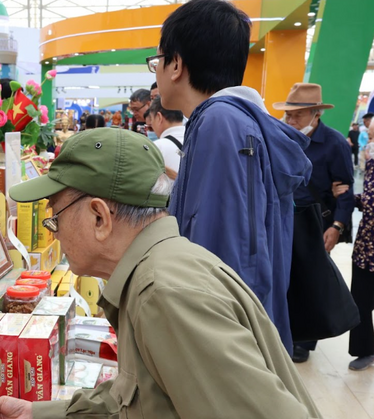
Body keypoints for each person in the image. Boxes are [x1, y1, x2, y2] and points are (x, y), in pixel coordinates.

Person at [0, 128, 374, 419]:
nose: (55, 232)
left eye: (55, 217)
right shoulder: (158, 272)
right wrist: (36, 416)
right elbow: (142, 398)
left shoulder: (164, 295)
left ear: (99, 217)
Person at [153, 0, 312, 355]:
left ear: (176, 64)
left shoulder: (219, 123)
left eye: (158, 60)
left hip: (226, 345)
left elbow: (221, 251)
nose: (157, 71)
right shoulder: (234, 120)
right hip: (245, 333)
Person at [273, 83, 355, 363]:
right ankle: (288, 328)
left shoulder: (334, 143)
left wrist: (337, 226)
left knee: (313, 277)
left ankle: (306, 340)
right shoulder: (283, 137)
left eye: (297, 115)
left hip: (318, 221)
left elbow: (345, 190)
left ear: (315, 114)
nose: (291, 120)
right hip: (285, 216)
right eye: (288, 114)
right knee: (287, 274)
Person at [333, 122, 374, 371]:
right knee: (361, 301)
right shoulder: (372, 167)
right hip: (366, 249)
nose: (369, 145)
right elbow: (369, 200)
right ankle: (365, 350)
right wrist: (346, 195)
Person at [143, 96, 184, 179]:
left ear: (159, 117)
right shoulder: (198, 139)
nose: (152, 125)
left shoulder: (156, 148)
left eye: (152, 120)